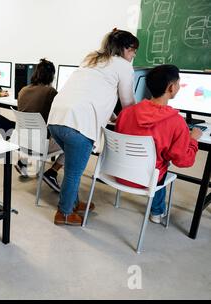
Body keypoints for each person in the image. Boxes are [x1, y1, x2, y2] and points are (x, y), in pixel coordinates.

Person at [47, 28, 138, 226]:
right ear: (125, 49)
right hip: (78, 124)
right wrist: (138, 116)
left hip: (56, 119)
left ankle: (72, 203)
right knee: (73, 172)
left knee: (72, 167)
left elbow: (91, 93)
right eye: (133, 51)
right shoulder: (123, 65)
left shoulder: (92, 58)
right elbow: (128, 101)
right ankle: (63, 214)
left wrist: (111, 115)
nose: (133, 56)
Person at [116, 64, 202, 223]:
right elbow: (183, 160)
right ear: (171, 87)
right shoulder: (177, 123)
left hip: (119, 173)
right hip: (146, 180)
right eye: (178, 83)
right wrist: (192, 140)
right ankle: (156, 212)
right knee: (161, 165)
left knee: (156, 163)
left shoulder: (126, 112)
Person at [15, 58, 65, 192]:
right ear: (52, 76)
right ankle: (52, 173)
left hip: (23, 142)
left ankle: (23, 161)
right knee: (73, 143)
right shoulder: (50, 92)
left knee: (34, 131)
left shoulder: (23, 90)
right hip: (41, 145)